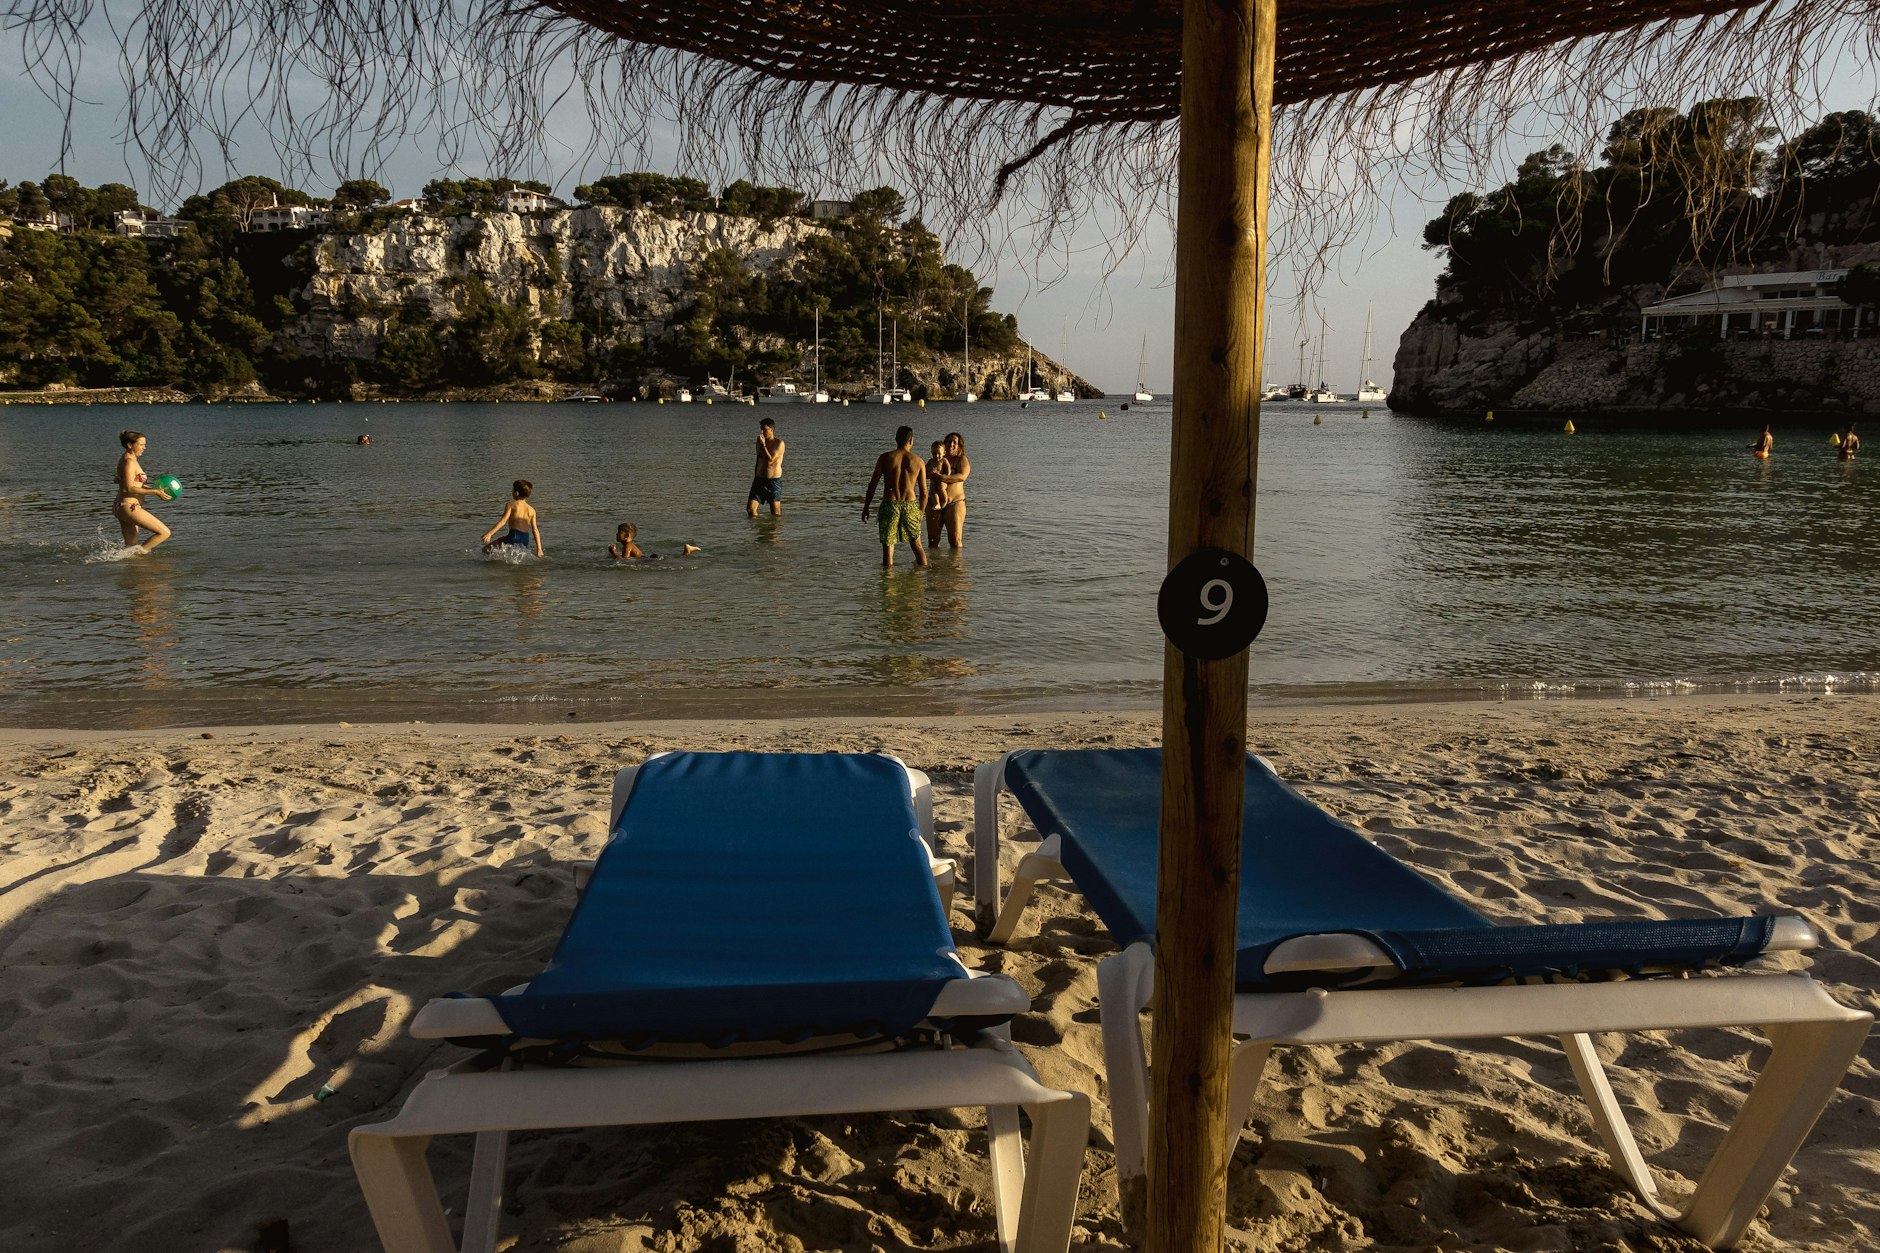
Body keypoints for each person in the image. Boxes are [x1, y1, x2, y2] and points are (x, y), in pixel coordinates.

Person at [861, 425, 928, 568]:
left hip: (890, 504)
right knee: (917, 546)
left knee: (888, 549)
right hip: (910, 505)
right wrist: (920, 513)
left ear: (896, 439)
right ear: (911, 441)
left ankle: (888, 585)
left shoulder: (885, 458)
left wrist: (866, 507)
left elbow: (873, 484)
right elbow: (924, 493)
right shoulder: (918, 461)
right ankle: (923, 578)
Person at [113, 429, 172, 554]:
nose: (144, 448)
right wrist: (155, 492)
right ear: (130, 445)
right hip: (129, 507)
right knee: (164, 533)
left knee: (129, 548)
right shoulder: (129, 462)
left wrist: (157, 489)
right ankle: (139, 554)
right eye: (141, 445)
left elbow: (132, 484)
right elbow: (129, 488)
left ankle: (130, 566)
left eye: (145, 445)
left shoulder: (128, 459)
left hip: (123, 506)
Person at [929, 431, 971, 549]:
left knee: (955, 542)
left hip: (954, 503)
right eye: (949, 441)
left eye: (955, 442)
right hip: (934, 502)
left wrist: (943, 478)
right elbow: (924, 472)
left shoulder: (961, 460)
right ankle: (934, 566)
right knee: (932, 541)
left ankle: (955, 566)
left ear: (959, 446)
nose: (951, 444)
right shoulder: (936, 458)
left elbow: (962, 476)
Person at [482, 480, 545, 557]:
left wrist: (489, 534)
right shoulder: (532, 510)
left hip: (514, 535)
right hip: (525, 538)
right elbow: (535, 529)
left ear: (516, 493)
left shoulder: (511, 505)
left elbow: (503, 521)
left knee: (486, 549)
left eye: (512, 490)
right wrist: (539, 549)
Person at [747, 417, 785, 517]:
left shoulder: (779, 443)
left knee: (775, 513)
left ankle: (773, 530)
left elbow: (771, 460)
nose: (762, 432)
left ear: (771, 429)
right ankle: (757, 530)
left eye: (764, 429)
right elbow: (758, 459)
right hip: (759, 480)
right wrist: (755, 475)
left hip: (773, 482)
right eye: (761, 429)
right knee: (750, 510)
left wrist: (764, 445)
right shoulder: (759, 441)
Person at [610, 522, 700, 560]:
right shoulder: (627, 546)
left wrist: (614, 553)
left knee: (676, 561)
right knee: (670, 559)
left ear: (626, 536)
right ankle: (686, 551)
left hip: (647, 561)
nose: (616, 534)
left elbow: (625, 561)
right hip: (647, 559)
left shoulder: (628, 546)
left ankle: (687, 552)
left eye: (618, 533)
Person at [924, 439, 951, 548]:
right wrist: (929, 470)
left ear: (944, 453)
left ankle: (944, 500)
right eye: (934, 453)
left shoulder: (944, 460)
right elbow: (925, 470)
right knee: (933, 492)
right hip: (933, 481)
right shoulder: (931, 461)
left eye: (939, 453)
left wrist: (945, 476)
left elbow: (948, 470)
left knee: (940, 488)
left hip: (942, 481)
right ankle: (937, 503)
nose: (936, 455)